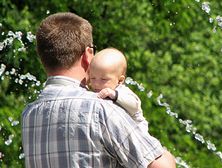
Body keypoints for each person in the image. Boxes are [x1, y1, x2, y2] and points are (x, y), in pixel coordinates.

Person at [21, 12, 176, 168]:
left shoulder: (29, 114)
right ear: (88, 54)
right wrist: (164, 154)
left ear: (42, 59)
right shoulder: (100, 108)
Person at [89, 48, 149, 132]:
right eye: (93, 78)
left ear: (120, 80)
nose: (96, 83)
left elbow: (135, 106)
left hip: (138, 132)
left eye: (103, 79)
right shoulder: (96, 91)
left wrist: (115, 95)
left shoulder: (122, 91)